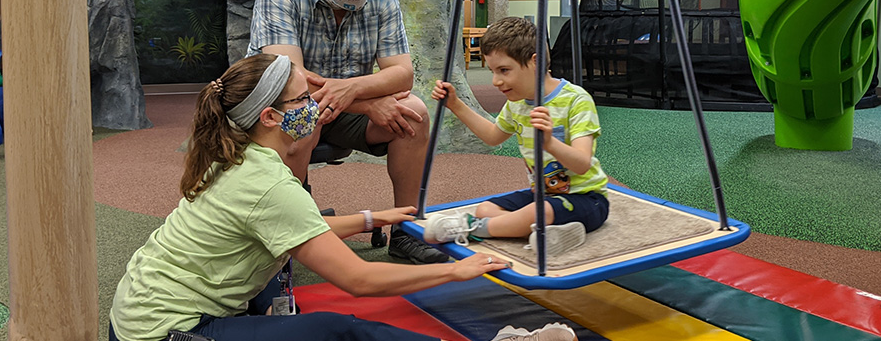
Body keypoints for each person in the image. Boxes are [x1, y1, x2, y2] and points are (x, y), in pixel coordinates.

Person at [108, 54, 578, 341]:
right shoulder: (268, 184)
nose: (314, 105)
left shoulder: (235, 153)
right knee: (337, 330)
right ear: (271, 117)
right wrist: (457, 269)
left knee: (274, 293)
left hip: (134, 316)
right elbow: (359, 280)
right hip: (166, 335)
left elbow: (299, 230)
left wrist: (371, 218)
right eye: (301, 99)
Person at [247, 0, 449, 264]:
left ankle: (406, 231)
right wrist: (367, 104)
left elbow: (402, 73)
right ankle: (289, 229)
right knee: (304, 118)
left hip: (346, 110)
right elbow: (288, 81)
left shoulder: (383, 1)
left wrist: (353, 90)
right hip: (284, 106)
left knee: (414, 115)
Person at [427, 17, 610, 256]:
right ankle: (551, 233)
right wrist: (456, 105)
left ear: (536, 62)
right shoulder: (517, 104)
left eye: (504, 70)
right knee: (485, 208)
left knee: (537, 213)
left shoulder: (576, 100)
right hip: (543, 194)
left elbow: (583, 164)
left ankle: (472, 228)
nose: (495, 81)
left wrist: (550, 144)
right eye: (492, 71)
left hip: (587, 198)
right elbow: (493, 137)